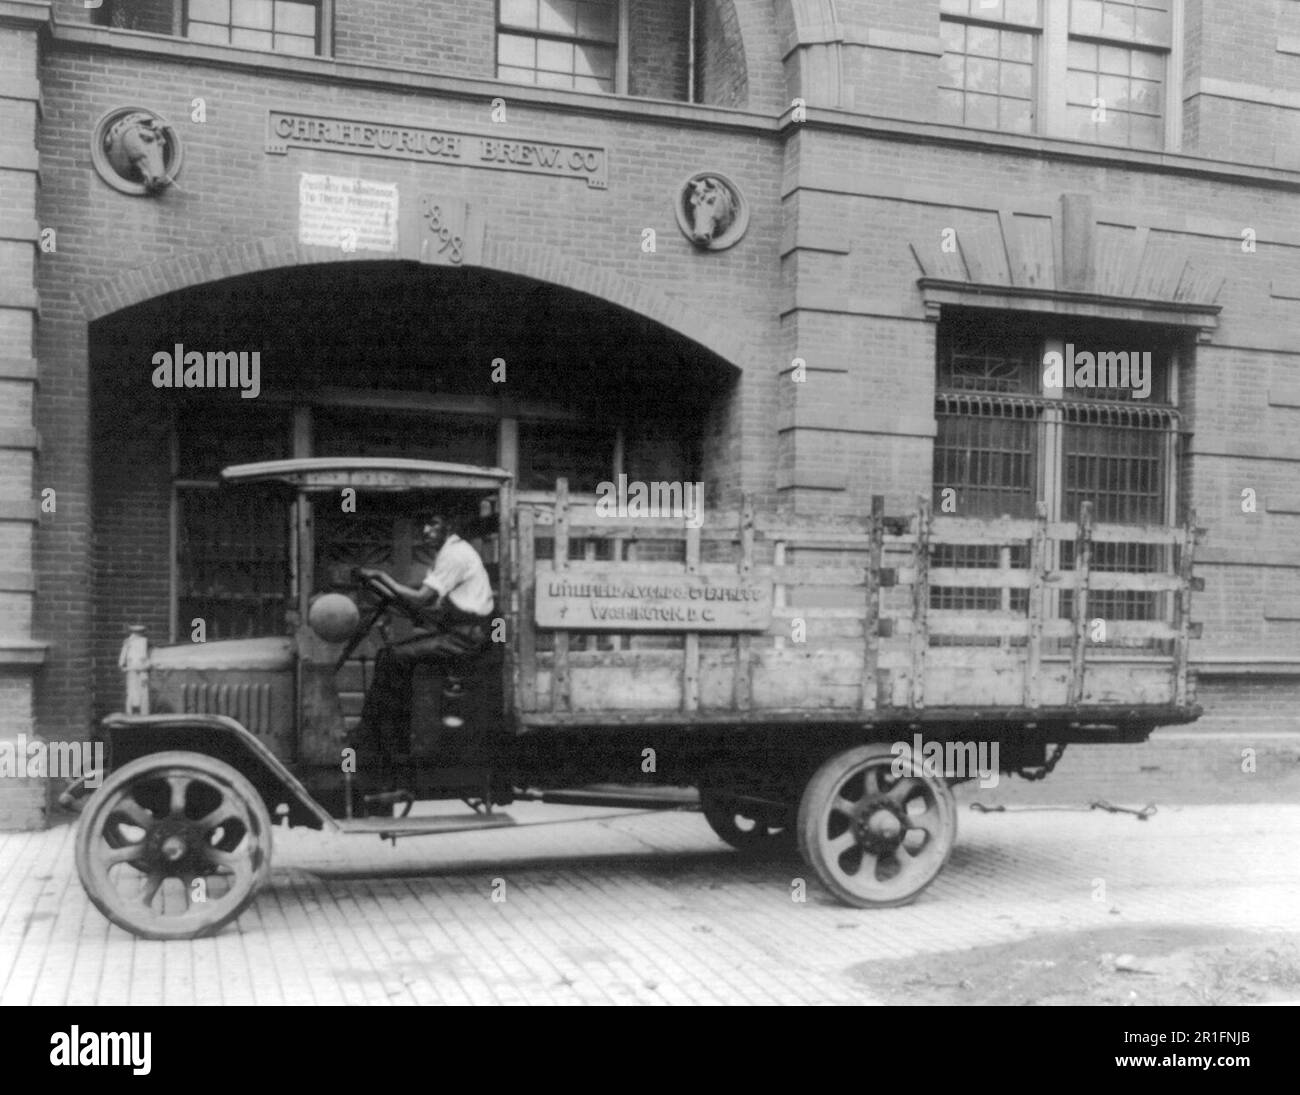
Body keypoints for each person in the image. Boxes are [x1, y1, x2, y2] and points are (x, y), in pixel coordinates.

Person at [354, 514, 494, 754]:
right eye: (424, 525)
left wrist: (381, 577)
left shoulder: (455, 554)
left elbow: (421, 598)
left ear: (448, 527)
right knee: (391, 654)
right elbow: (427, 604)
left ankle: (390, 744)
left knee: (392, 657)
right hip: (461, 632)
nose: (426, 531)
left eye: (433, 525)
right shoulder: (449, 552)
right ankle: (384, 737)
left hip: (466, 638)